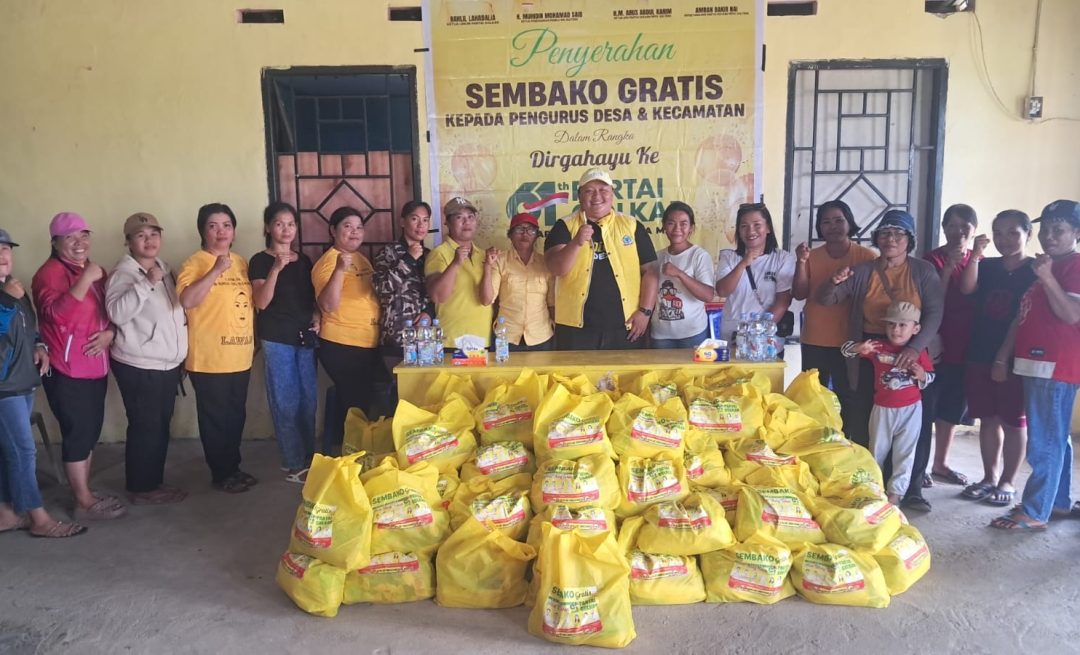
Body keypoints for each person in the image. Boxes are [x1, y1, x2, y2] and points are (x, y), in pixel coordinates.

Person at [815, 209, 943, 512]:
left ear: (909, 239)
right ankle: (870, 485)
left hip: (913, 347)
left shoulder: (923, 271)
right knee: (866, 417)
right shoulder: (863, 271)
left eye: (898, 234)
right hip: (872, 348)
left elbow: (935, 312)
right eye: (885, 233)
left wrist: (915, 349)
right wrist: (834, 282)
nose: (891, 239)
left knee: (915, 423)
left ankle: (912, 490)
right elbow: (826, 299)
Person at [991, 200, 1080, 531]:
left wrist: (1047, 277)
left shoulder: (1072, 266)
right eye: (1046, 230)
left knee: (1044, 443)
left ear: (1077, 233)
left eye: (1059, 230)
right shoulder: (1053, 265)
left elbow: (1071, 314)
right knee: (1056, 438)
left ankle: (1034, 511)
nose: (1049, 236)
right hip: (1040, 365)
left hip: (1054, 366)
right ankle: (1055, 502)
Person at [32, 212, 125, 521]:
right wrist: (85, 280)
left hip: (95, 366)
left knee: (89, 430)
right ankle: (83, 499)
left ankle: (84, 492)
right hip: (66, 368)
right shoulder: (49, 273)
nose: (79, 242)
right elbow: (55, 316)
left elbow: (108, 311)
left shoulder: (92, 269)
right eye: (70, 237)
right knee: (77, 432)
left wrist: (110, 333)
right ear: (55, 242)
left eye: (84, 235)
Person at [0, 229, 87, 538]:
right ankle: (38, 518)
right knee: (23, 451)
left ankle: (6, 514)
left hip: (21, 380)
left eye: (6, 249)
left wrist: (39, 346)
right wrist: (7, 303)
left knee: (9, 450)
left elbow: (27, 327)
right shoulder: (9, 293)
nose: (2, 255)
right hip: (4, 387)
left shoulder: (12, 286)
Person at [105, 212, 188, 504]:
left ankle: (153, 481)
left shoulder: (164, 268)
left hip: (165, 363)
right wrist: (146, 283)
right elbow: (116, 313)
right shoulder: (124, 274)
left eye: (153, 234)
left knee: (159, 426)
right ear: (129, 242)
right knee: (145, 427)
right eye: (141, 235)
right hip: (139, 364)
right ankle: (141, 488)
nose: (149, 240)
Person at [957, 210, 1036, 507]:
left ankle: (1008, 481)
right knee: (988, 418)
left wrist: (1003, 357)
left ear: (1028, 234)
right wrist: (975, 256)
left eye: (1013, 232)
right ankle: (989, 477)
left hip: (1016, 356)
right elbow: (967, 289)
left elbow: (1023, 317)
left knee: (1014, 421)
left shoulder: (1036, 270)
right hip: (979, 350)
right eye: (999, 233)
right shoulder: (987, 266)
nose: (1005, 239)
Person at [177, 203, 256, 493]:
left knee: (236, 415)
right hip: (209, 358)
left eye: (226, 225)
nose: (221, 231)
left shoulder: (241, 261)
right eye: (213, 226)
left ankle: (233, 467)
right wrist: (215, 270)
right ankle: (221, 473)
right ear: (203, 231)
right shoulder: (194, 262)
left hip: (240, 355)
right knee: (216, 418)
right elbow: (187, 300)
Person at [544, 168, 658, 350]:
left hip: (627, 326)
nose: (597, 196)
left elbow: (651, 271)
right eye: (589, 191)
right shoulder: (564, 226)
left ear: (612, 193)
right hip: (575, 329)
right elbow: (556, 268)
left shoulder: (631, 225)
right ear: (579, 196)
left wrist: (645, 312)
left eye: (603, 190)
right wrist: (576, 242)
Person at [249, 202, 318, 483]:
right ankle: (293, 463)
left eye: (291, 224)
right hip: (277, 337)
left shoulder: (305, 261)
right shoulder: (260, 261)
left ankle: (308, 458)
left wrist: (317, 317)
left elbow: (311, 299)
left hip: (305, 336)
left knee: (309, 400)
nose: (286, 229)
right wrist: (276, 268)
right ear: (268, 227)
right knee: (286, 400)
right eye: (279, 224)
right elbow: (261, 302)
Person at [842, 301, 935, 505]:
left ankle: (895, 495)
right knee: (876, 450)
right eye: (891, 324)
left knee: (905, 453)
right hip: (882, 408)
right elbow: (845, 351)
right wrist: (860, 347)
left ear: (916, 329)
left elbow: (930, 377)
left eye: (903, 325)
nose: (896, 329)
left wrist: (922, 375)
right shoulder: (878, 347)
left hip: (911, 410)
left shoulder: (919, 352)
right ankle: (874, 490)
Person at [792, 200, 877, 414]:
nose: (833, 226)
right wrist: (800, 262)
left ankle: (847, 435)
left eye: (839, 220)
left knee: (848, 397)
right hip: (815, 337)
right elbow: (800, 293)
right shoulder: (811, 256)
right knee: (813, 396)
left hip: (850, 339)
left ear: (849, 222)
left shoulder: (866, 257)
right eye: (826, 222)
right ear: (819, 227)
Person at [312, 206, 381, 442]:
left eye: (359, 227)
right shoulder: (329, 262)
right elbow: (327, 305)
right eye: (347, 226)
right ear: (333, 230)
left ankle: (348, 449)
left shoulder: (361, 259)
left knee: (360, 401)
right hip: (342, 343)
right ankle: (349, 452)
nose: (354, 232)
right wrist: (340, 269)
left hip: (367, 341)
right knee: (355, 403)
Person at [922, 203, 979, 488]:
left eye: (965, 227)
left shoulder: (978, 261)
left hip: (965, 344)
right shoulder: (930, 260)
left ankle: (941, 464)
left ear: (974, 230)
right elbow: (933, 299)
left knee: (952, 408)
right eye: (952, 226)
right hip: (933, 344)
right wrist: (949, 268)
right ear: (944, 228)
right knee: (926, 406)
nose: (958, 232)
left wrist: (972, 259)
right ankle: (920, 465)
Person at [714, 203, 795, 345]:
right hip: (733, 336)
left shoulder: (783, 258)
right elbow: (722, 291)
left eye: (757, 225)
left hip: (767, 341)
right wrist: (743, 263)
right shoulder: (729, 257)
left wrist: (757, 335)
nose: (751, 231)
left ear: (768, 228)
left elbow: (783, 302)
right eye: (744, 226)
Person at [480, 212, 555, 351]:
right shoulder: (499, 261)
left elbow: (551, 304)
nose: (525, 234)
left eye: (530, 230)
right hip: (506, 337)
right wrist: (487, 266)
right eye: (519, 229)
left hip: (541, 336)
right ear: (510, 235)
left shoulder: (546, 262)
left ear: (536, 235)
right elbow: (487, 300)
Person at [425, 197, 493, 349]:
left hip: (482, 341)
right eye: (459, 217)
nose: (466, 222)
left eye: (470, 217)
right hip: (452, 341)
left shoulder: (484, 255)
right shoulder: (439, 254)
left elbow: (488, 299)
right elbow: (438, 296)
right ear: (447, 223)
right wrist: (455, 263)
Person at [374, 200, 435, 370]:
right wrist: (408, 259)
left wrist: (429, 312)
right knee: (397, 385)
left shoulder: (430, 255)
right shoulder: (388, 252)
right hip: (396, 337)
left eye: (425, 220)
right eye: (415, 219)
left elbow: (435, 292)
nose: (421, 225)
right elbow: (381, 288)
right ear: (402, 222)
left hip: (425, 338)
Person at [650, 202, 716, 348]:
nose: (677, 229)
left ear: (691, 228)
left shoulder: (699, 256)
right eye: (671, 223)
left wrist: (680, 274)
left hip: (693, 334)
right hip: (660, 335)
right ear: (664, 226)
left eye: (683, 224)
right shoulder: (657, 257)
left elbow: (708, 295)